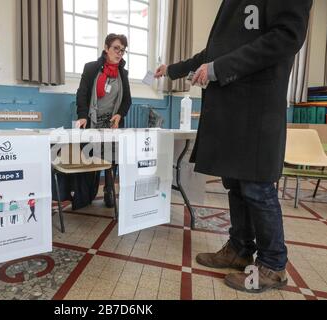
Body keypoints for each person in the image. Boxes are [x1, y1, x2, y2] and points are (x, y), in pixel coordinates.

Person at [155, 0, 313, 293]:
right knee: (236, 183)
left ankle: (273, 265)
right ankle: (240, 250)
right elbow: (214, 52)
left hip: (257, 104)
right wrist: (173, 70)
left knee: (257, 186)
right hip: (231, 104)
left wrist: (221, 67)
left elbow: (287, 36)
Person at [76, 33, 132, 208]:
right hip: (91, 121)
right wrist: (83, 116)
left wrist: (119, 115)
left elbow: (127, 100)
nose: (119, 53)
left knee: (110, 158)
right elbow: (82, 94)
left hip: (111, 124)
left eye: (122, 50)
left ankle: (109, 189)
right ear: (106, 48)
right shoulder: (92, 68)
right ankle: (86, 194)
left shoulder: (122, 73)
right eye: (116, 48)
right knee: (89, 159)